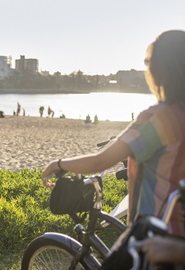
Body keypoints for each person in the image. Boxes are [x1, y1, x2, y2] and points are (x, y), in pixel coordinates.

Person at [42, 30, 185, 237]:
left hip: (154, 238)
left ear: (159, 72)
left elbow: (99, 162)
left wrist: (57, 164)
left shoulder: (158, 120)